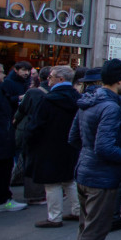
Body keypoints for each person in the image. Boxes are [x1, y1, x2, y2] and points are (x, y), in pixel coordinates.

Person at [69, 58, 121, 240]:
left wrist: (88, 154)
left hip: (84, 170)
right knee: (95, 229)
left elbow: (74, 138)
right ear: (118, 81)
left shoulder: (88, 101)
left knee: (86, 227)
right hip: (101, 177)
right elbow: (105, 147)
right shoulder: (110, 106)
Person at [26, 66, 81, 227]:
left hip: (48, 145)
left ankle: (54, 217)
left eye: (51, 77)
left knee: (52, 184)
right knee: (69, 180)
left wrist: (30, 141)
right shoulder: (77, 98)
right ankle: (78, 211)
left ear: (60, 79)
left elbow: (36, 125)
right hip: (70, 145)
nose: (48, 80)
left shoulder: (48, 100)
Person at [0, 62, 27, 212]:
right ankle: (2, 200)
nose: (4, 75)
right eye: (1, 72)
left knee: (2, 169)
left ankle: (2, 197)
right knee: (3, 169)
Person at [13, 65, 50, 205]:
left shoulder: (33, 93)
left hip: (31, 130)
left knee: (30, 161)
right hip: (44, 132)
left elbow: (21, 111)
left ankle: (34, 195)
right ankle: (40, 193)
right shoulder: (54, 92)